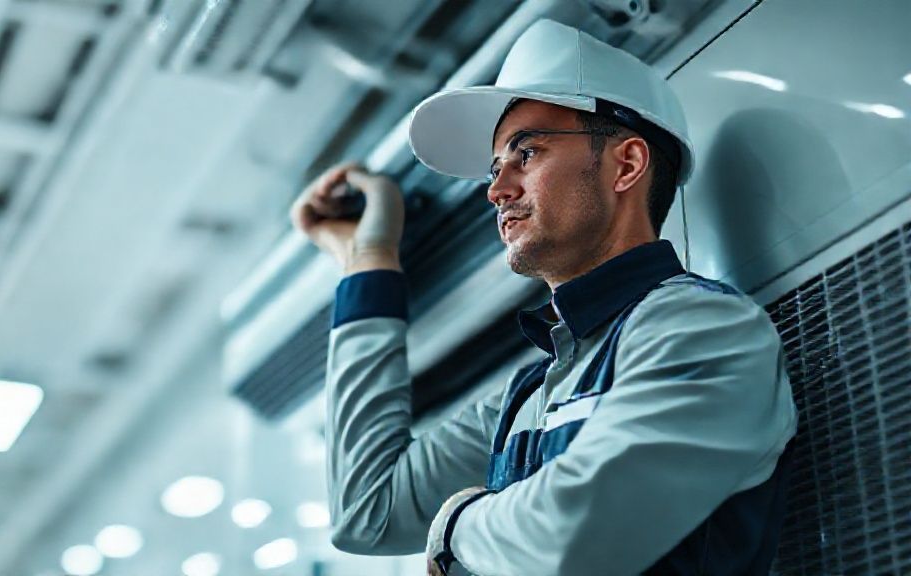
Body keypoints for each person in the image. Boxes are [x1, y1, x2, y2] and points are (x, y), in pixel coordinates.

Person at [291, 20, 797, 576]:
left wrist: (457, 521)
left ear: (625, 165)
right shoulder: (530, 393)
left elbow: (579, 534)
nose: (495, 189)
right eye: (494, 168)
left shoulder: (702, 328)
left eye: (526, 153)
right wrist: (366, 262)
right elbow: (369, 514)